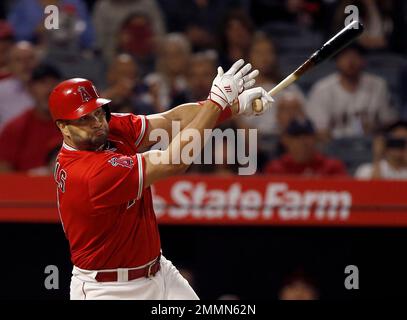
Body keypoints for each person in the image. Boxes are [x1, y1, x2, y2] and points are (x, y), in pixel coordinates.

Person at [49, 59, 273, 299]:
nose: (97, 123)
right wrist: (216, 102)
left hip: (159, 271)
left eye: (97, 112)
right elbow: (174, 161)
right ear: (63, 127)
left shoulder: (107, 128)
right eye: (84, 119)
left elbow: (170, 122)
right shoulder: (88, 173)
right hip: (109, 289)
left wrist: (233, 106)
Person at [306, 44, 396, 141]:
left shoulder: (378, 85)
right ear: (337, 61)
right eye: (345, 56)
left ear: (363, 60)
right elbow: (319, 130)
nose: (350, 61)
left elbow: (390, 123)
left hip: (370, 144)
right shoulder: (321, 89)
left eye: (355, 56)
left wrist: (375, 128)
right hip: (334, 146)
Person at [0, 63, 62, 172]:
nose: (49, 89)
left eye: (53, 83)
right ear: (30, 89)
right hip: (25, 187)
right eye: (42, 83)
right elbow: (4, 171)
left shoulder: (75, 126)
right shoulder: (15, 127)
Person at [265, 118, 347, 177]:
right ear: (286, 141)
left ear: (315, 139)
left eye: (307, 135)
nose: (302, 141)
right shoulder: (276, 169)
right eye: (296, 136)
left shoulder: (332, 167)